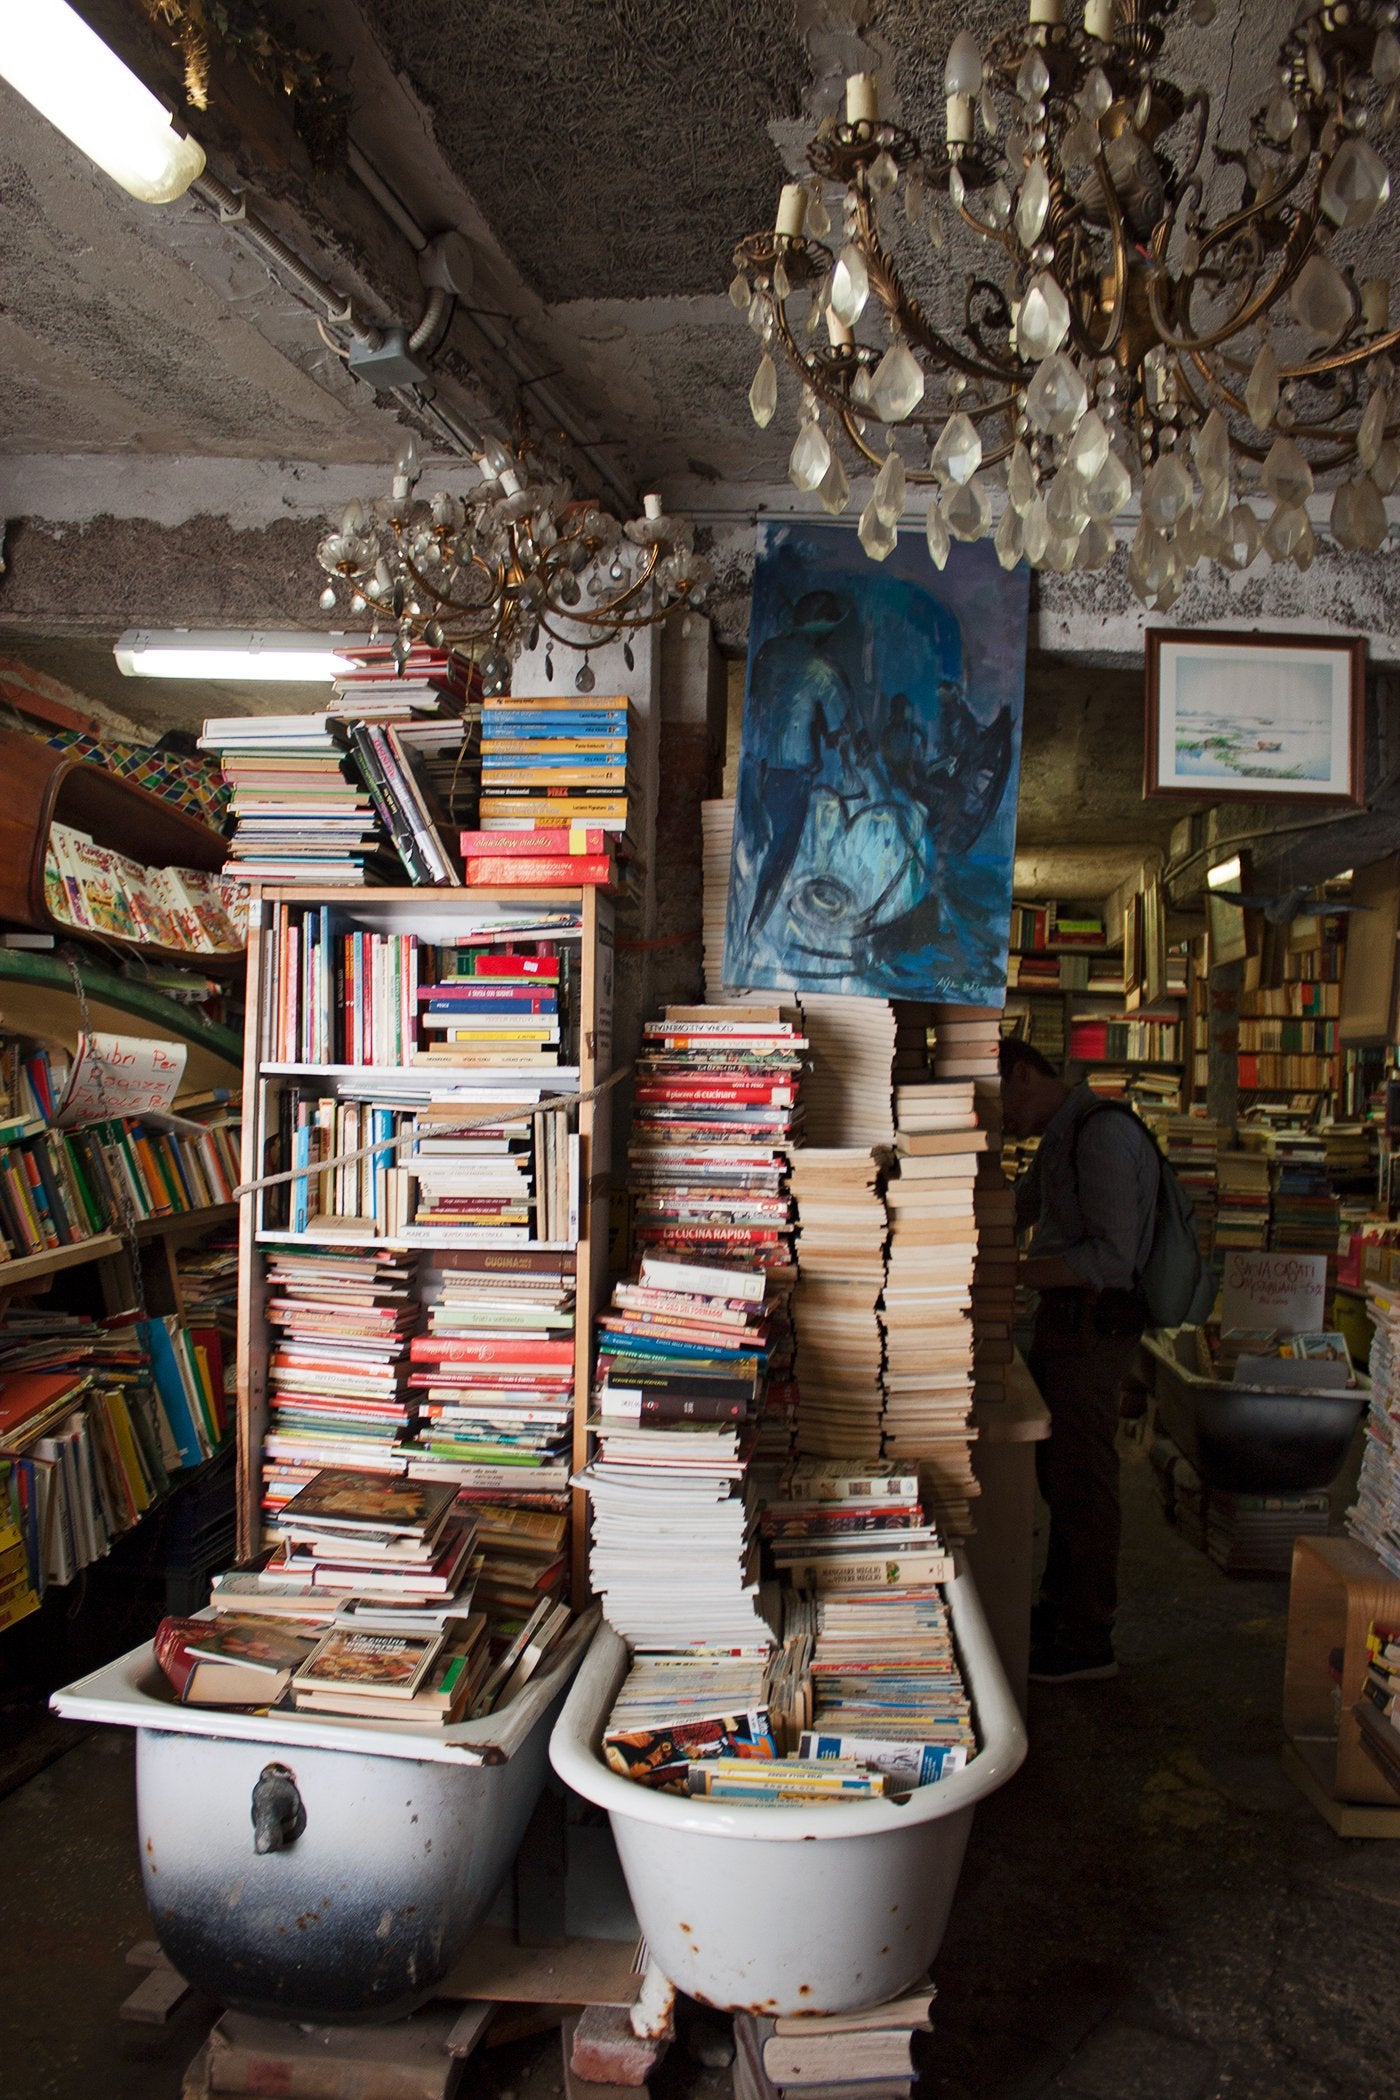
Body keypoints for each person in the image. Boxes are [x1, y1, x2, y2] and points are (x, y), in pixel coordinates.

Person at [998, 1037, 1161, 1684]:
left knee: (1085, 1479)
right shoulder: (1059, 1135)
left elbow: (1114, 1260)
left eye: (997, 1101)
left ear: (1021, 1075)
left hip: (1094, 1330)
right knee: (1060, 1475)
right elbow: (1018, 1208)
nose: (998, 1119)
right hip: (1063, 1326)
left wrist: (1016, 1271)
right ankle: (1058, 1608)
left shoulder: (1099, 1135)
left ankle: (1090, 1637)